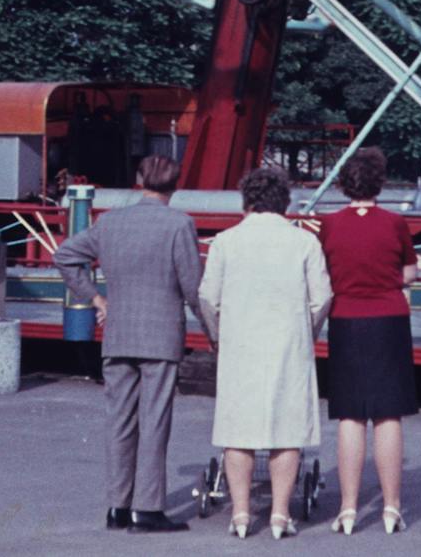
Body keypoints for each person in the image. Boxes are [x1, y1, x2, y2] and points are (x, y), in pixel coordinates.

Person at [53, 155, 202, 534]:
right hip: (161, 335)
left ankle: (117, 506)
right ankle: (148, 509)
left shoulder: (111, 222)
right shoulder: (179, 224)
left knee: (119, 421)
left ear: (138, 180)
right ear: (175, 184)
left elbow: (65, 255)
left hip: (118, 333)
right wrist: (214, 328)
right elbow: (191, 286)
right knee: (154, 422)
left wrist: (96, 298)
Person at [196, 166, 331, 539]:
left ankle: (240, 514)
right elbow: (322, 298)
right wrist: (308, 331)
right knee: (286, 428)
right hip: (288, 343)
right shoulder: (304, 242)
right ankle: (279, 514)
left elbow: (208, 296)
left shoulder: (226, 241)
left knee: (237, 426)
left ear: (247, 201)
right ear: (284, 202)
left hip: (240, 342)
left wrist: (217, 333)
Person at [318, 147, 418, 536]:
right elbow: (407, 274)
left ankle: (347, 508)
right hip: (389, 318)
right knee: (388, 413)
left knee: (351, 414)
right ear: (380, 182)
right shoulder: (395, 223)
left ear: (344, 184)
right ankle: (392, 506)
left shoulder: (329, 224)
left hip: (345, 319)